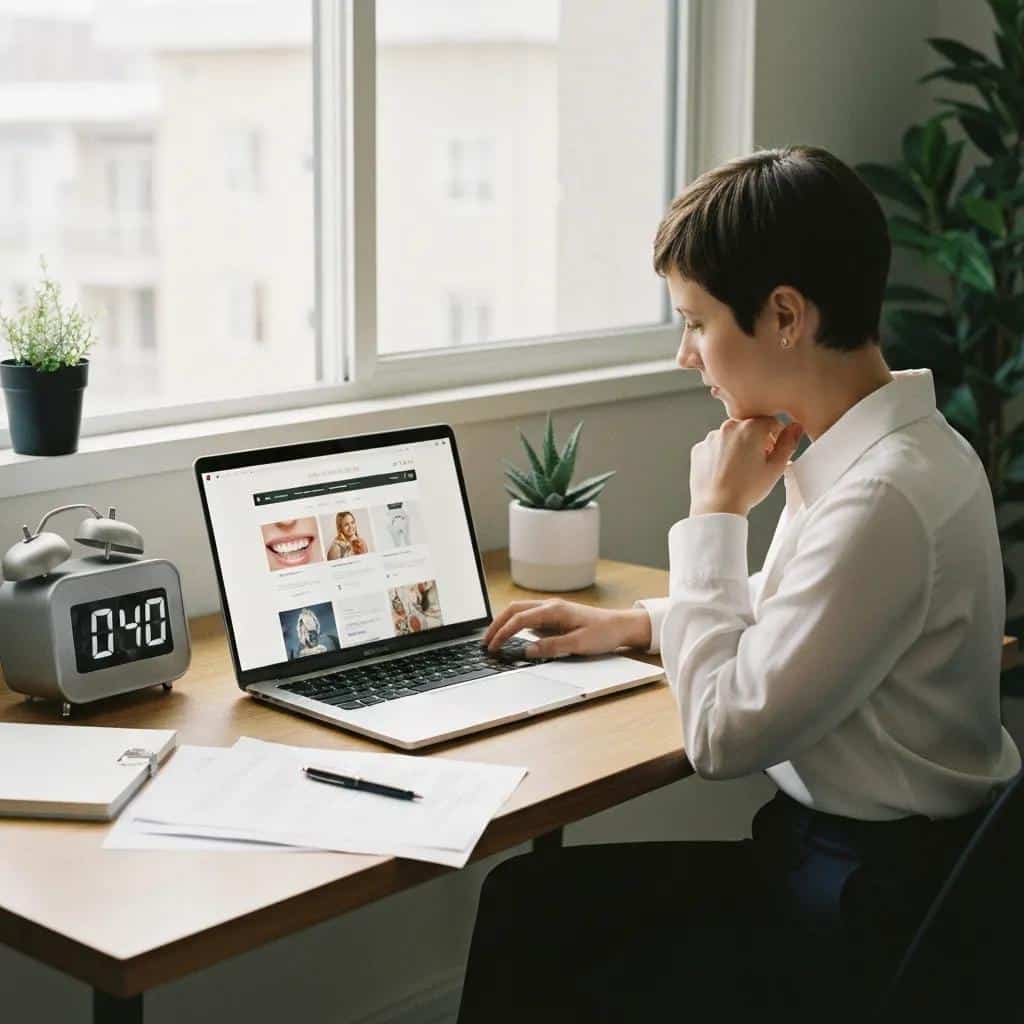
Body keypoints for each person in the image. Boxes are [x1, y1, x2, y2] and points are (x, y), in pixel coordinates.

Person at [457, 146, 1022, 1023]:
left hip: (863, 905)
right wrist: (639, 624)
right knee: (534, 907)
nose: (686, 355)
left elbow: (721, 736)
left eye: (695, 321)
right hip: (880, 865)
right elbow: (800, 609)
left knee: (531, 920)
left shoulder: (882, 496)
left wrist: (715, 513)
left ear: (786, 314)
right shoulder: (898, 450)